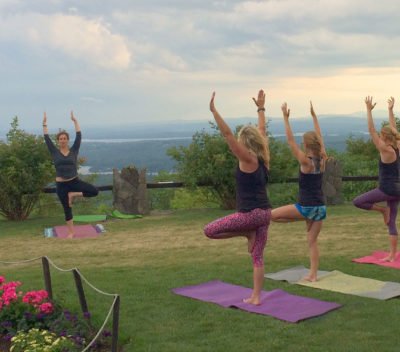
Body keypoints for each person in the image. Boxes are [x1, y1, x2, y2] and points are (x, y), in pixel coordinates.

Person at [203, 90, 272, 305]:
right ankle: (256, 297)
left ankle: (246, 233)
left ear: (244, 143)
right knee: (257, 257)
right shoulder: (263, 157)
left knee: (210, 231)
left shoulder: (247, 158)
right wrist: (261, 108)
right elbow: (262, 130)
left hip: (249, 216)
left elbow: (227, 135)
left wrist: (215, 112)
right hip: (265, 214)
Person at [271, 101, 327, 282]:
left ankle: (312, 274)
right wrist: (314, 116)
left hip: (306, 207)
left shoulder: (306, 161)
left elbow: (289, 141)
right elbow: (320, 136)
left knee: (272, 215)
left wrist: (286, 119)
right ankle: (313, 274)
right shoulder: (322, 158)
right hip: (320, 207)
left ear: (306, 144)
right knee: (311, 241)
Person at [353, 96, 400, 262]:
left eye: (381, 134)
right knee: (392, 222)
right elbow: (393, 128)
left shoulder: (385, 149)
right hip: (398, 190)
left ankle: (382, 210)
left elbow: (371, 129)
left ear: (384, 136)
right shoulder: (397, 145)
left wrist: (368, 110)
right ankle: (393, 255)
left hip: (387, 189)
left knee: (358, 201)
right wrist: (390, 110)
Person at [43, 111, 98, 238]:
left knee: (94, 191)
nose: (63, 140)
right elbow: (46, 138)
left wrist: (75, 121)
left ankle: (73, 194)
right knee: (67, 208)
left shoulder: (74, 150)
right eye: (60, 139)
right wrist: (44, 124)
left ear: (68, 140)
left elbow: (79, 136)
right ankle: (71, 232)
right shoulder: (54, 152)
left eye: (65, 138)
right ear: (58, 141)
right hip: (61, 185)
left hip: (75, 182)